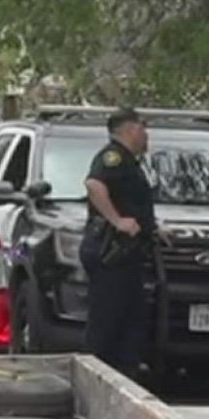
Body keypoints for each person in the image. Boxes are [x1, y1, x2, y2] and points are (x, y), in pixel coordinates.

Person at [80, 108, 163, 375]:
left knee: (130, 324)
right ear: (130, 130)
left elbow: (130, 202)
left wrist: (153, 229)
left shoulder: (130, 162)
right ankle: (95, 381)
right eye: (143, 128)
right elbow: (94, 185)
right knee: (107, 325)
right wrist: (117, 221)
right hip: (112, 254)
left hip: (129, 257)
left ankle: (125, 378)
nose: (146, 134)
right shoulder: (113, 157)